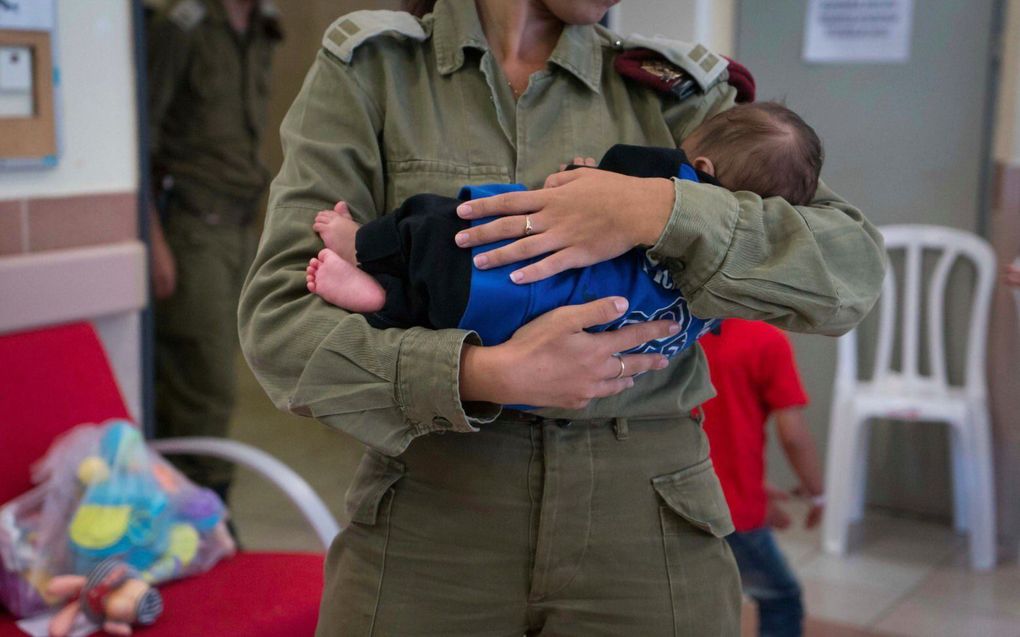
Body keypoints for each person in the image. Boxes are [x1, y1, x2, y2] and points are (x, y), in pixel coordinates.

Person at [238, 1, 886, 634]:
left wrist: (658, 207)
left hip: (647, 515)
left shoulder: (675, 92)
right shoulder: (375, 70)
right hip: (430, 514)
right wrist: (480, 372)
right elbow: (281, 324)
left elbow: (850, 274)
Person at [305, 102, 821, 363]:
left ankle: (361, 245)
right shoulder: (722, 289)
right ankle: (379, 299)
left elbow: (612, 174)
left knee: (432, 220)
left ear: (701, 163)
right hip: (541, 334)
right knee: (431, 308)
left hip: (503, 269)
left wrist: (595, 177)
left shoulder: (674, 178)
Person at [145, 0, 281, 499]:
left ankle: (196, 516)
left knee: (214, 376)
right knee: (203, 388)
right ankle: (201, 518)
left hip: (239, 228)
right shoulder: (182, 28)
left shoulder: (263, 27)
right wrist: (153, 240)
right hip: (189, 229)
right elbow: (141, 138)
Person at [700, 319, 824, 637]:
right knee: (781, 597)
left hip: (681, 495)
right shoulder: (766, 339)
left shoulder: (679, 330)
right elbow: (793, 435)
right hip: (734, 512)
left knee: (700, 596)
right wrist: (817, 492)